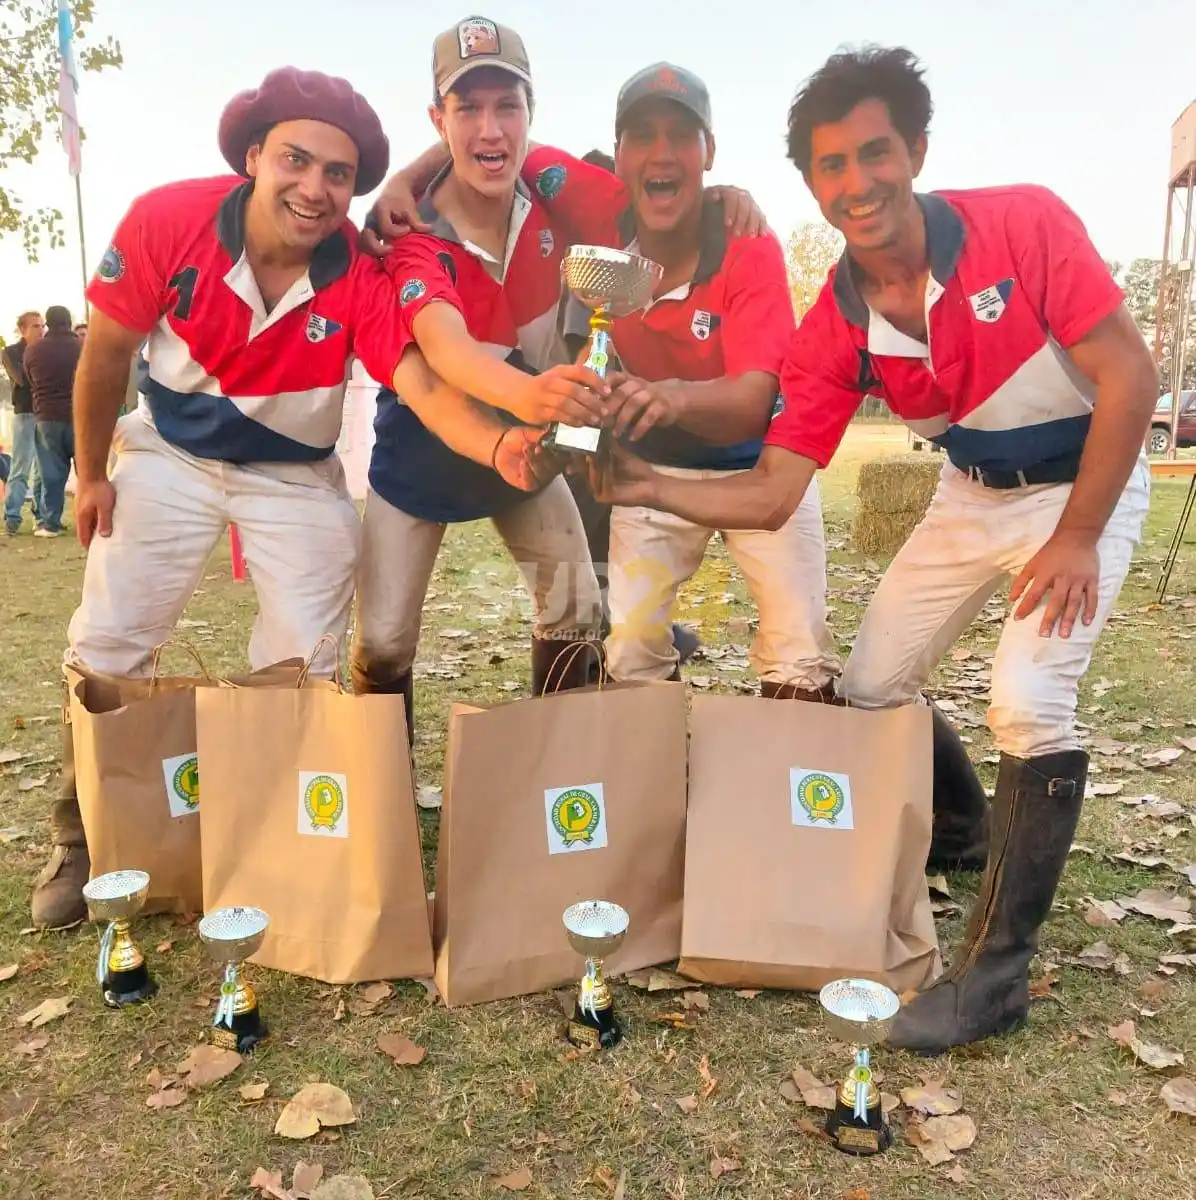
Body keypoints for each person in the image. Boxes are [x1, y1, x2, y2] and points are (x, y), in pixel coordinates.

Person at [592, 46, 1157, 1052]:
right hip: (967, 491)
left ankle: (995, 974)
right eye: (831, 167)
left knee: (1026, 699)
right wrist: (641, 484)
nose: (857, 184)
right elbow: (771, 493)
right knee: (865, 689)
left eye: (874, 154)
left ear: (915, 151)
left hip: (1082, 485)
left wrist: (1075, 539)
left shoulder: (1018, 221)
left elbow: (1129, 377)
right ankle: (960, 831)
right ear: (810, 185)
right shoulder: (834, 326)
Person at [30, 65, 552, 929]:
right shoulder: (169, 216)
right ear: (253, 158)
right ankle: (80, 831)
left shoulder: (359, 267)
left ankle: (268, 832)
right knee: (111, 635)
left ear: (354, 187)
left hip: (295, 475)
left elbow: (420, 385)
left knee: (303, 661)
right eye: (295, 161)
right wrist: (89, 475)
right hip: (170, 452)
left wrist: (499, 443)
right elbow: (108, 351)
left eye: (337, 174)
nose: (314, 189)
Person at [520, 64, 840, 698]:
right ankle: (653, 784)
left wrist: (670, 398)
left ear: (708, 153)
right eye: (641, 135)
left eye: (681, 136)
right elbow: (502, 141)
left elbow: (754, 399)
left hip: (757, 469)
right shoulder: (598, 207)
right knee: (632, 645)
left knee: (799, 646)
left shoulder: (749, 245)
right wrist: (405, 183)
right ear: (618, 155)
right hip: (652, 469)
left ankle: (792, 782)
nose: (661, 153)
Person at [23, 305, 80, 537]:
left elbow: (29, 380)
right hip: (80, 415)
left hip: (47, 416)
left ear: (49, 322)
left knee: (51, 472)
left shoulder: (34, 350)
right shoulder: (82, 346)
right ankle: (92, 519)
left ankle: (50, 523)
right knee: (86, 470)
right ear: (68, 321)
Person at [2, 311, 45, 535]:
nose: (41, 330)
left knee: (43, 469)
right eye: (36, 326)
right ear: (22, 329)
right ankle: (12, 517)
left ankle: (42, 516)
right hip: (24, 414)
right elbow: (20, 379)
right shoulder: (10, 352)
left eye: (43, 325)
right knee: (20, 468)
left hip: (46, 414)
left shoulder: (48, 350)